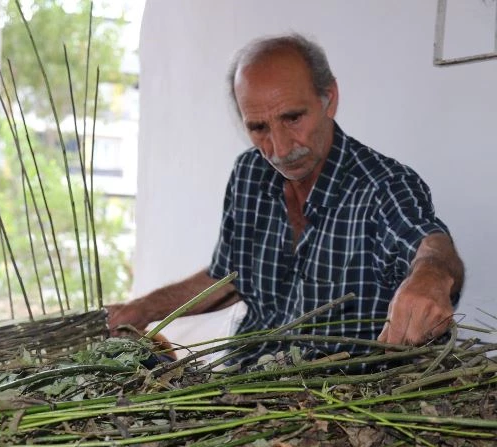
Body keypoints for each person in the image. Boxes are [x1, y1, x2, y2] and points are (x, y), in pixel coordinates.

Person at [108, 33, 465, 368]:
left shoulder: (381, 186)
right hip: (240, 391)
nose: (279, 149)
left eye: (292, 118)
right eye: (258, 128)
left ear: (329, 99)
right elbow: (228, 279)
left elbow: (430, 246)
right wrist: (140, 310)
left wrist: (431, 277)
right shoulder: (249, 173)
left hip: (334, 407)